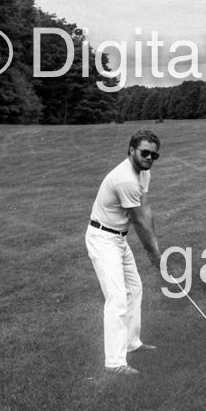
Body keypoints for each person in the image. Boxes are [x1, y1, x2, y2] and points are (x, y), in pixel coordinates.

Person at [86, 130, 163, 374]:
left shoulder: (144, 173)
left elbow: (145, 209)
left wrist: (156, 248)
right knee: (117, 298)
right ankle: (115, 363)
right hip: (103, 238)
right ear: (131, 150)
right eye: (144, 152)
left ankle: (131, 343)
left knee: (134, 288)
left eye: (154, 154)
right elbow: (138, 221)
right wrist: (154, 256)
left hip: (119, 239)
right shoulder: (125, 179)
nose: (149, 157)